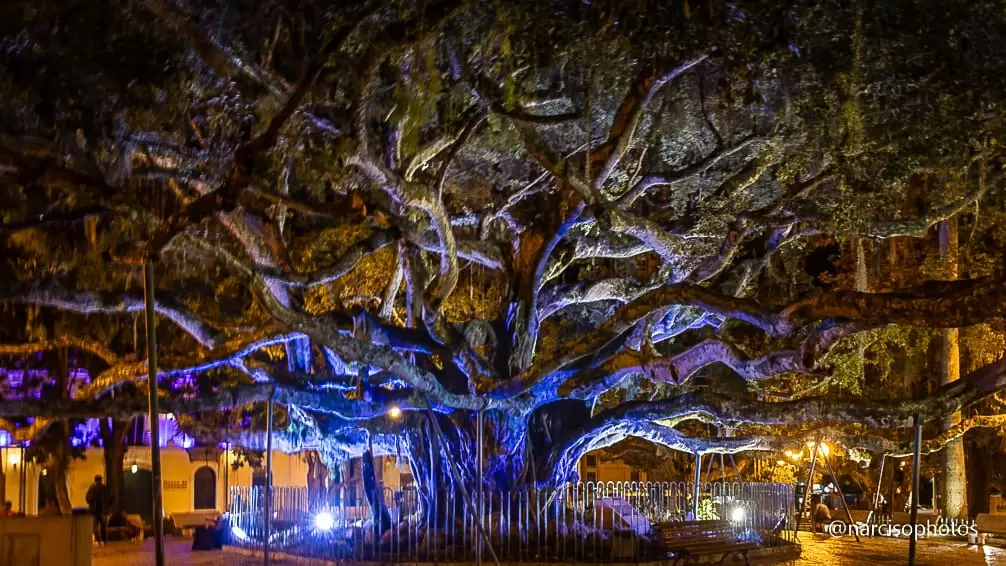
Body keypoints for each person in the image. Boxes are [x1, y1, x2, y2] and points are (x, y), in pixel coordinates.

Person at [85, 475, 109, 545]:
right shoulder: (103, 488)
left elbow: (87, 499)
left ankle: (99, 540)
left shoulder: (93, 488)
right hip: (99, 510)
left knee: (97, 526)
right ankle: (102, 540)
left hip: (95, 510)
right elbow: (107, 499)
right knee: (101, 526)